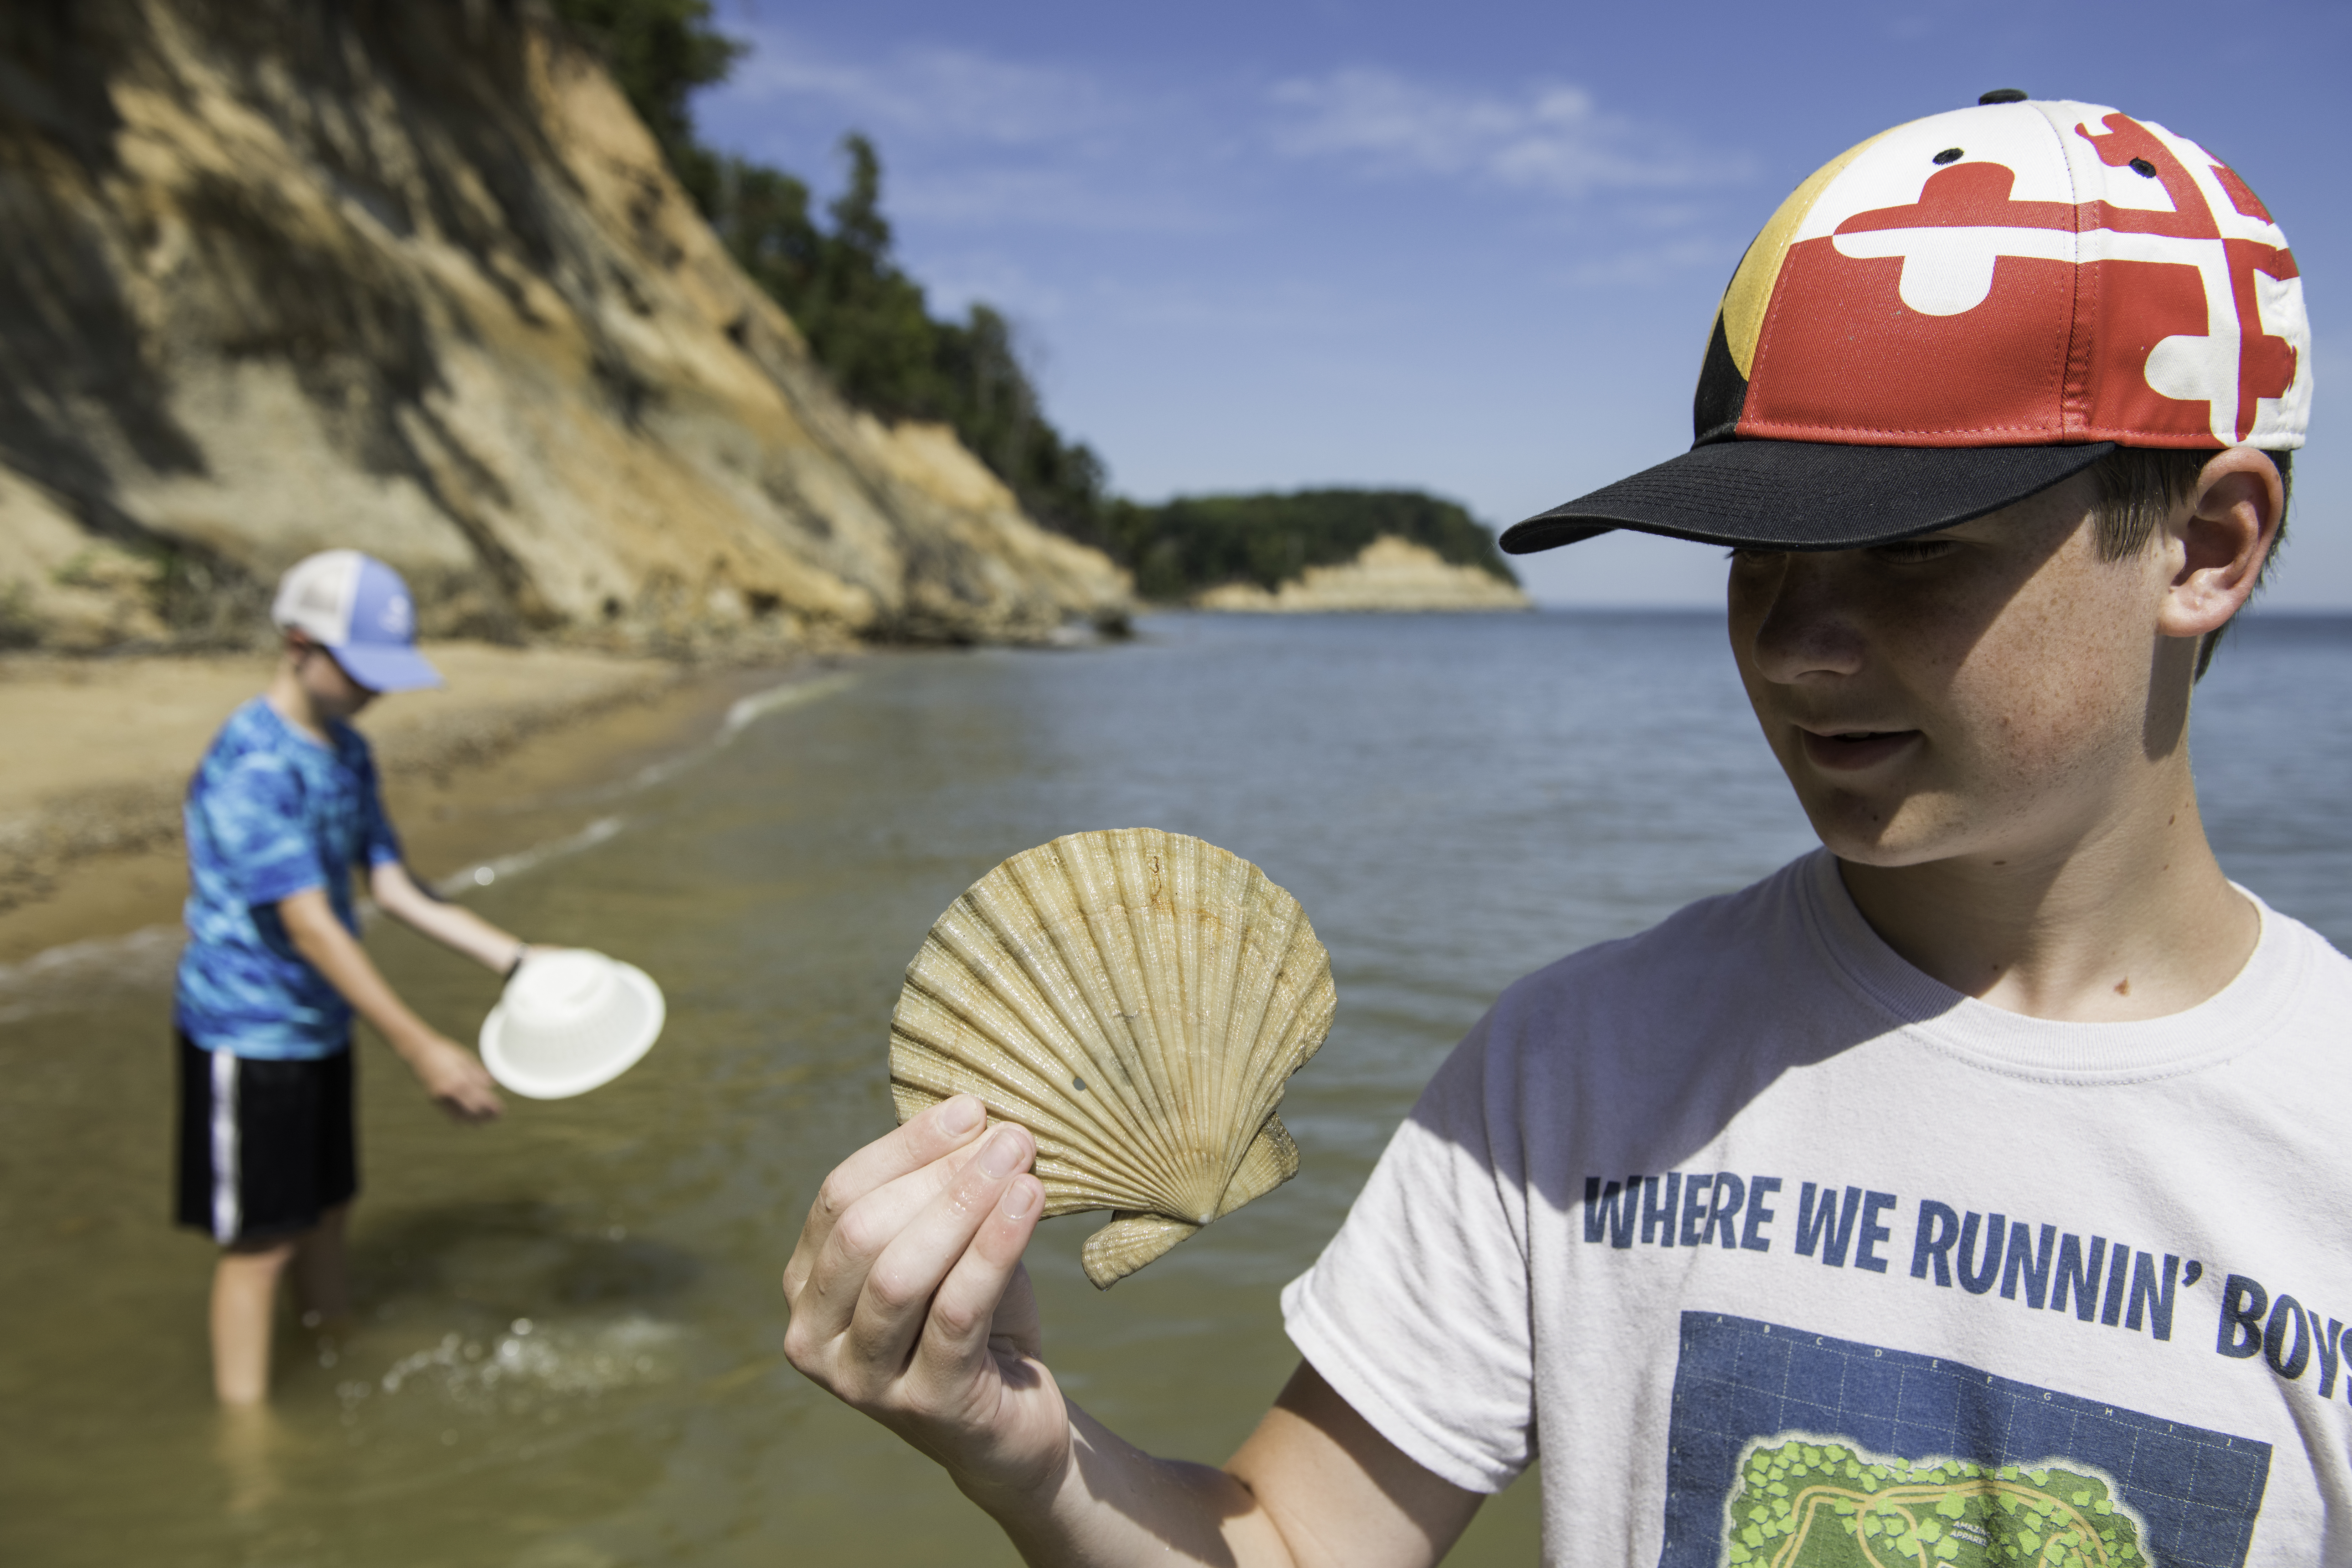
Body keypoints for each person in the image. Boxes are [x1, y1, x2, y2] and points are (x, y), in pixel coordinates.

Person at [780, 92, 2341, 1564]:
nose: (1797, 643)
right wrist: (1027, 1454)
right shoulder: (1580, 1064)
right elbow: (1298, 1535)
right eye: (1756, 553)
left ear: (2207, 543)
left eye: (1910, 551)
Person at [176, 549, 535, 1406]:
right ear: (298, 644)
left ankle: (335, 1340)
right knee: (261, 1242)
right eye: (360, 668)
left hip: (320, 1023)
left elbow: (393, 886)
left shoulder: (347, 752)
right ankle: (247, 1438)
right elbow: (309, 924)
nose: (376, 689)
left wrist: (519, 960)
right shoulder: (253, 765)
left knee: (329, 1205)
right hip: (246, 1031)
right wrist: (422, 1048)